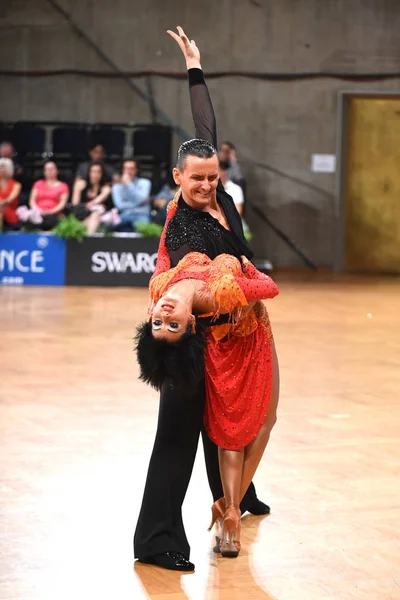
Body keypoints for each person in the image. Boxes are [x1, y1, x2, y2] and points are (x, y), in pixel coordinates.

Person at [133, 26, 271, 573]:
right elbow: (195, 283)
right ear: (177, 178)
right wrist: (212, 299)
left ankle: (237, 496)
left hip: (235, 335)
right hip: (197, 341)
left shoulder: (224, 200)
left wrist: (195, 68)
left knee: (235, 421)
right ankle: (158, 538)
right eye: (197, 178)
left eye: (214, 176)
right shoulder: (182, 219)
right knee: (177, 439)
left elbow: (205, 132)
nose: (207, 185)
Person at [136, 248, 280, 558]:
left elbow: (163, 249)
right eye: (171, 325)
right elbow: (269, 288)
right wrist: (248, 271)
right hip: (245, 339)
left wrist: (176, 203)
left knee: (237, 430)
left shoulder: (159, 287)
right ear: (189, 323)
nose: (164, 317)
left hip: (235, 332)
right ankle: (231, 507)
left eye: (157, 324)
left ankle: (235, 500)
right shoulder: (215, 294)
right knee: (241, 428)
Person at [18, 161, 69, 230]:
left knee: (51, 220)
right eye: (47, 169)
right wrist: (38, 210)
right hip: (37, 213)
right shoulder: (38, 184)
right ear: (44, 172)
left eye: (52, 169)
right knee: (28, 220)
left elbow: (62, 204)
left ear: (57, 171)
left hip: (54, 214)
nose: (49, 171)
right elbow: (32, 200)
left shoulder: (63, 186)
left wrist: (50, 212)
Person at [109, 159, 151, 230]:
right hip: (124, 214)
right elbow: (119, 205)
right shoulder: (116, 186)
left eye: (131, 169)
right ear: (123, 170)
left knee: (145, 230)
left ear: (136, 170)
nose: (128, 171)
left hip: (141, 214)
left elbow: (141, 199)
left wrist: (129, 184)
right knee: (109, 226)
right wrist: (140, 203)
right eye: (126, 168)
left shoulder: (145, 182)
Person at [71, 162, 112, 234]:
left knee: (94, 216)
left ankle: (89, 241)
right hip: (83, 216)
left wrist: (89, 205)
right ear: (89, 173)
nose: (95, 175)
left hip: (102, 218)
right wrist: (77, 190)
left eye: (98, 172)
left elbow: (95, 202)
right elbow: (75, 205)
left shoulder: (106, 188)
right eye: (93, 171)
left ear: (102, 174)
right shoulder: (82, 186)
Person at [0, 158, 22, 231]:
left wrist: (2, 203)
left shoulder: (16, 185)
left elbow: (10, 199)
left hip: (9, 212)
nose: (0, 169)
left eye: (2, 167)